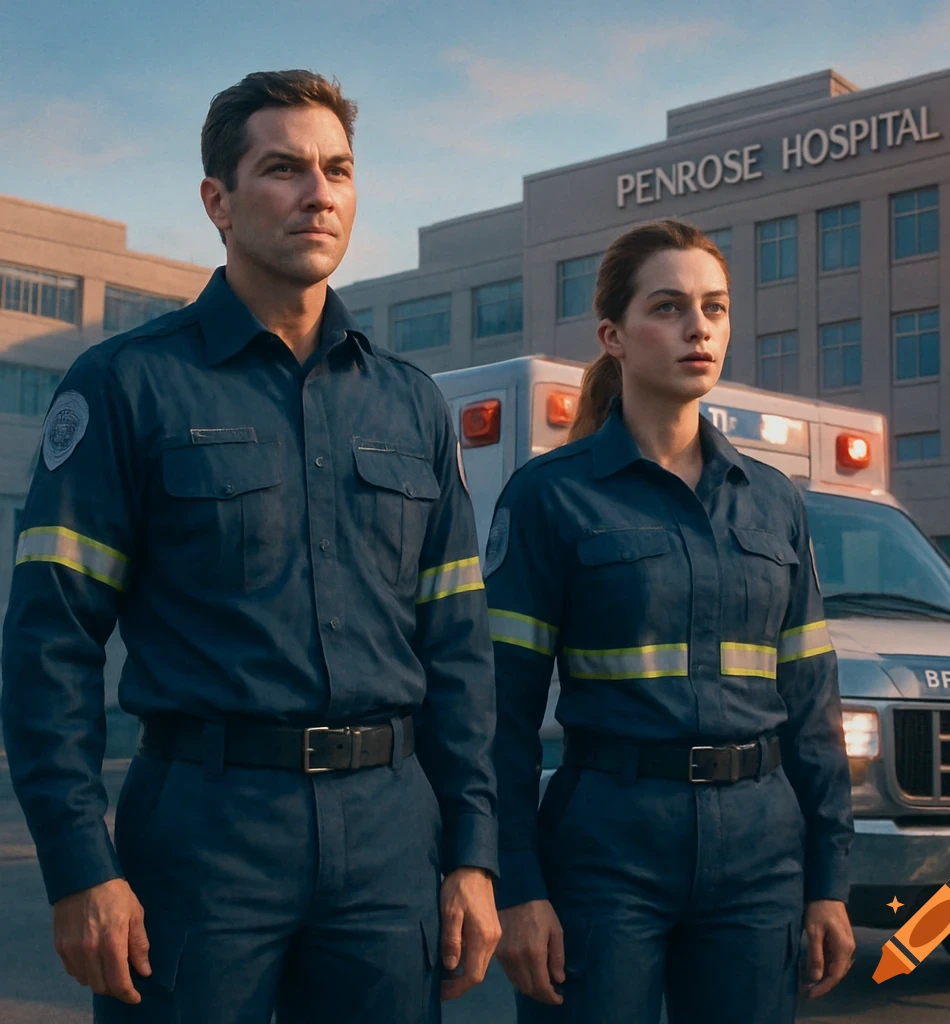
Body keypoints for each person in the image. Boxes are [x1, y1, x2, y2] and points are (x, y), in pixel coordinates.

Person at [1, 69, 500, 1023]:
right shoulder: (126, 386)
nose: (320, 192)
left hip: (390, 834)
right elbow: (49, 644)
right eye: (284, 168)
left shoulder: (412, 404)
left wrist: (474, 851)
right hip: (202, 832)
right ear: (217, 202)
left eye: (339, 169)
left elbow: (460, 653)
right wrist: (78, 866)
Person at [485, 219, 856, 1023]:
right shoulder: (550, 497)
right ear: (613, 335)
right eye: (670, 307)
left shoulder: (774, 500)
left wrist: (828, 878)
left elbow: (813, 707)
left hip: (761, 851)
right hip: (605, 845)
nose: (699, 328)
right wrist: (516, 884)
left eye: (715, 309)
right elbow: (499, 718)